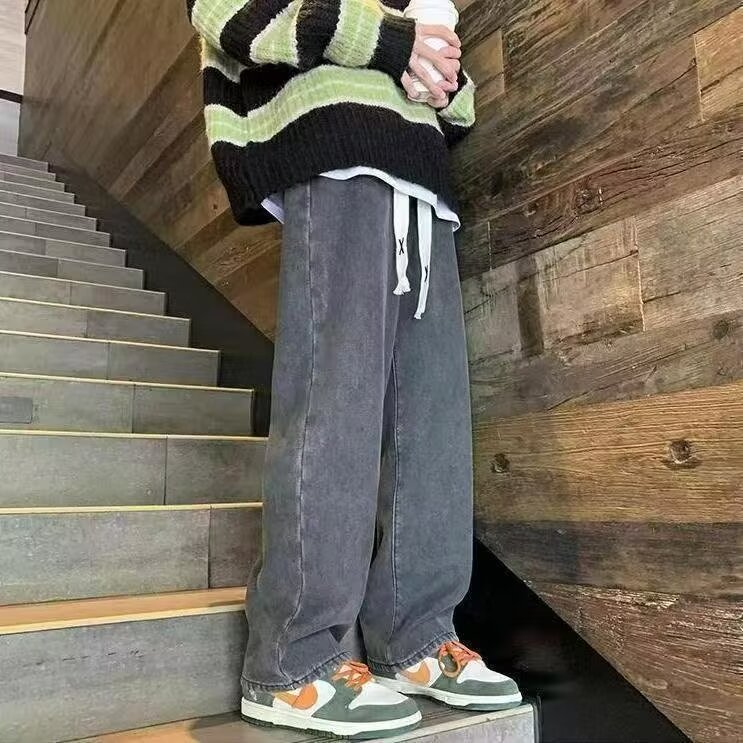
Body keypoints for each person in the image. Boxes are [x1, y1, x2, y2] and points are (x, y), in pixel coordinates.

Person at [186, 0, 522, 737]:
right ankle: (292, 659)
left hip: (418, 174)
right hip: (335, 149)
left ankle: (417, 635)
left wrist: (438, 68)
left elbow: (455, 103)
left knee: (432, 422)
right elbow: (228, 13)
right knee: (333, 404)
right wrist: (397, 42)